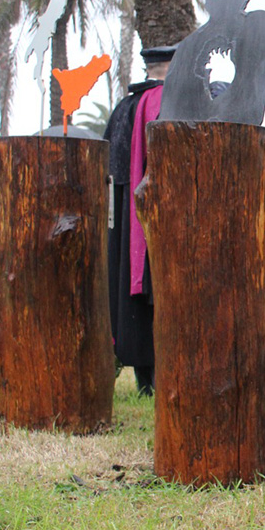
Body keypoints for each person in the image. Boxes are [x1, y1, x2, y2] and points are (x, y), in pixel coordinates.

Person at [104, 44, 173, 396]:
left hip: (121, 218)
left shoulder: (123, 105)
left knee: (129, 297)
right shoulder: (158, 101)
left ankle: (145, 380)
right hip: (149, 217)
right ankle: (157, 378)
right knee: (154, 294)